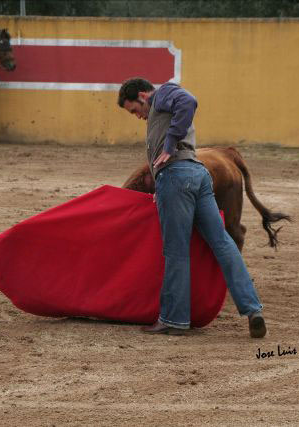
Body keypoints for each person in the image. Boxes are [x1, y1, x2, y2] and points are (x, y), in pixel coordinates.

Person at [117, 78, 267, 338]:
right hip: (197, 175)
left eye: (135, 110)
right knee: (222, 242)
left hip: (176, 176)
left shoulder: (161, 95)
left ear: (142, 95)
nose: (138, 116)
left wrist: (169, 144)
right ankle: (252, 309)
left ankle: (174, 319)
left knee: (176, 251)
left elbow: (189, 101)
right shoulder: (162, 105)